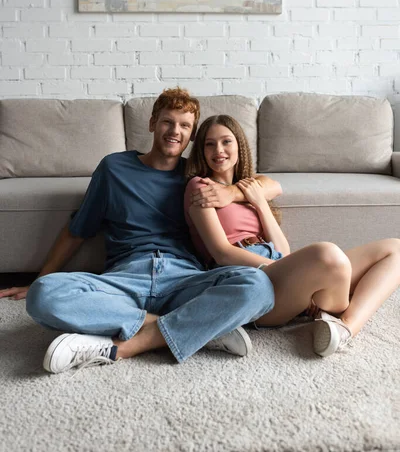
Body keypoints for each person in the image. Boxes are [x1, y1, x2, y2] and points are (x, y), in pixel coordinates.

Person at [0, 88, 285, 374]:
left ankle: (150, 335)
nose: (175, 131)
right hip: (125, 279)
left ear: (192, 134)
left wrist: (232, 192)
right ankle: (198, 325)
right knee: (43, 295)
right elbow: (77, 230)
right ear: (152, 124)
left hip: (184, 278)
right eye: (167, 122)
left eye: (184, 125)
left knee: (258, 286)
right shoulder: (114, 168)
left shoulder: (197, 176)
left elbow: (269, 184)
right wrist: (40, 278)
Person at [184, 114, 400, 357]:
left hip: (276, 263)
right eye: (209, 144)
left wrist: (259, 202)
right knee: (327, 254)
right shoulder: (200, 187)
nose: (218, 150)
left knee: (395, 249)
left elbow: (282, 250)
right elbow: (221, 253)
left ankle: (345, 328)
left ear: (239, 145)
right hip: (250, 275)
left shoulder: (250, 187)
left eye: (226, 141)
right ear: (201, 150)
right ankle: (320, 301)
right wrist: (284, 269)